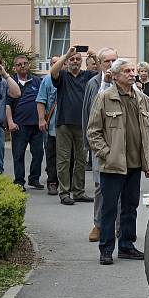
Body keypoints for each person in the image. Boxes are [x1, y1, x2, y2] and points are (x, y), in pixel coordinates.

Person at [87, 59, 149, 265]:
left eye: (133, 70)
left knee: (130, 207)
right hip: (113, 164)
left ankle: (126, 245)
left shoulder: (141, 98)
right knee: (109, 208)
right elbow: (93, 132)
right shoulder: (104, 98)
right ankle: (106, 249)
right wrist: (106, 154)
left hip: (134, 165)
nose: (132, 74)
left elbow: (148, 134)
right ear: (115, 76)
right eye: (126, 71)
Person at [50, 46, 97, 205]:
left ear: (82, 61)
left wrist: (96, 57)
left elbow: (104, 75)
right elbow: (52, 72)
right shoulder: (62, 75)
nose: (75, 61)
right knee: (63, 159)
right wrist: (66, 55)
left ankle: (78, 192)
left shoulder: (87, 75)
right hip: (63, 123)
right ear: (68, 61)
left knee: (81, 160)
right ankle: (64, 193)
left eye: (78, 59)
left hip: (83, 124)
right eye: (72, 59)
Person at [82, 48, 118, 242]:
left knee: (122, 186)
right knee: (100, 186)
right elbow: (88, 112)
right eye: (107, 62)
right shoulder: (94, 83)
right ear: (100, 64)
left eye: (114, 60)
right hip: (99, 142)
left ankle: (119, 227)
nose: (111, 65)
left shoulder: (125, 80)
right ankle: (99, 225)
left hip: (121, 143)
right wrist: (87, 142)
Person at [6, 55, 44, 190]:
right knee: (18, 154)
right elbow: (7, 105)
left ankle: (34, 179)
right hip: (19, 125)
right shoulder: (11, 82)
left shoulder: (36, 81)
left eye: (25, 63)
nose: (23, 66)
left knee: (39, 153)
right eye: (19, 64)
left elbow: (42, 100)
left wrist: (42, 119)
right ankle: (19, 181)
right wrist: (10, 122)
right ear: (14, 67)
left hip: (36, 125)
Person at [36, 55, 63, 195]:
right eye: (52, 63)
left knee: (66, 156)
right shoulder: (46, 80)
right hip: (51, 125)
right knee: (51, 156)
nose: (55, 65)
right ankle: (52, 182)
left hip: (67, 125)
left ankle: (66, 183)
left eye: (57, 63)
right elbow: (41, 100)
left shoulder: (68, 78)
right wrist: (42, 119)